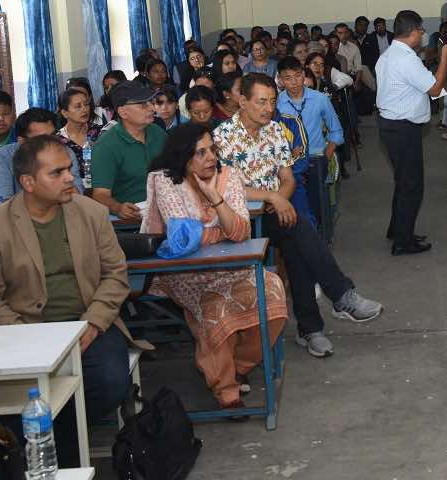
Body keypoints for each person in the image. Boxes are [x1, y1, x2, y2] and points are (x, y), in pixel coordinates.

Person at [0, 135, 145, 467]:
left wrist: (92, 324)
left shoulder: (91, 213)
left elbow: (115, 275)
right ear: (28, 183)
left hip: (86, 327)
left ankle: (42, 447)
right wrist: (27, 337)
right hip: (24, 331)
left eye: (69, 169)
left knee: (109, 381)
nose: (69, 178)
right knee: (6, 391)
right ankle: (57, 455)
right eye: (57, 173)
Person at [214, 74, 382, 357]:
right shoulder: (222, 137)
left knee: (297, 240)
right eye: (261, 102)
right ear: (242, 101)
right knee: (300, 231)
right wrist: (272, 196)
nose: (268, 108)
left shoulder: (276, 131)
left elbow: (288, 178)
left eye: (272, 102)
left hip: (273, 214)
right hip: (238, 220)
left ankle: (314, 327)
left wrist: (279, 197)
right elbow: (227, 190)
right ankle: (336, 300)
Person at [140, 124, 288, 412]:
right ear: (183, 157)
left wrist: (216, 200)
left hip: (232, 266)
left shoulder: (228, 176)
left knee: (272, 290)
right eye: (201, 152)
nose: (211, 158)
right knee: (214, 307)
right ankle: (225, 389)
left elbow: (242, 232)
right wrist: (221, 230)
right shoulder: (165, 181)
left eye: (213, 150)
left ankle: (239, 366)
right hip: (186, 272)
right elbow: (183, 238)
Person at [375, 10, 447, 255]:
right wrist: (445, 57)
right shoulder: (406, 59)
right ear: (413, 32)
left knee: (402, 179)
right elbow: (434, 89)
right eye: (421, 30)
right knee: (412, 184)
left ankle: (398, 229)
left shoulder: (388, 55)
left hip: (391, 125)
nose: (422, 34)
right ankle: (403, 242)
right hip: (402, 128)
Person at [276, 57, 344, 242]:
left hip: (316, 158)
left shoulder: (320, 99)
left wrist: (326, 156)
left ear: (304, 75)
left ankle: (319, 236)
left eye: (298, 76)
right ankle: (302, 236)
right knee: (294, 204)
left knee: (316, 203)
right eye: (288, 78)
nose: (294, 82)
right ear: (280, 81)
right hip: (289, 163)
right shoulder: (277, 104)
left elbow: (336, 131)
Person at [90, 81, 168, 224]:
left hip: (164, 211)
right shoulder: (106, 146)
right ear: (123, 112)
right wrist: (118, 208)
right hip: (130, 219)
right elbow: (100, 195)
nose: (152, 108)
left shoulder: (158, 133)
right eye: (143, 105)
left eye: (151, 102)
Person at [0, 108, 84, 204]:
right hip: (19, 216)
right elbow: (1, 201)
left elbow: (77, 198)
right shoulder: (4, 156)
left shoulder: (65, 152)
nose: (50, 143)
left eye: (53, 136)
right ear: (22, 141)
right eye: (42, 139)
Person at [57, 87, 103, 191]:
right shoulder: (58, 141)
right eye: (78, 106)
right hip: (75, 192)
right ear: (65, 113)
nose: (84, 109)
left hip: (103, 187)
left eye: (86, 104)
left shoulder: (100, 132)